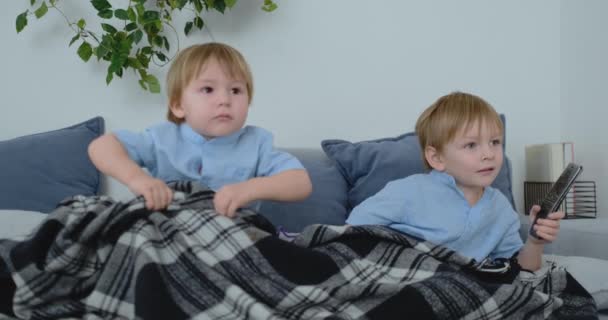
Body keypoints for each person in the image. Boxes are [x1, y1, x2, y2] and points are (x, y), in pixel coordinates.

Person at [88, 42, 312, 217]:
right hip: (169, 231)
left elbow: (300, 183)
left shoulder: (257, 143)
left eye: (235, 90)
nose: (224, 99)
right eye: (208, 89)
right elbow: (101, 146)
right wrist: (137, 179)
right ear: (178, 105)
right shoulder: (161, 138)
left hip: (231, 233)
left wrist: (250, 189)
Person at [346, 92, 563, 271]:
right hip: (405, 273)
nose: (489, 154)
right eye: (471, 145)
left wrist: (535, 242)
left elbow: (522, 270)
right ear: (437, 158)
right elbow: (352, 231)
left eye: (495, 142)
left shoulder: (500, 208)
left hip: (459, 283)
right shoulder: (409, 191)